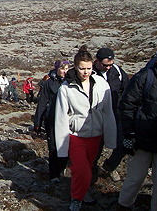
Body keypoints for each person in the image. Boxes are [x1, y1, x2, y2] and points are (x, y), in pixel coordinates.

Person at [55, 46, 116, 211]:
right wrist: (62, 147)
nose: (86, 72)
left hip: (96, 135)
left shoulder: (102, 84)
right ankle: (76, 198)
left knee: (87, 168)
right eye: (82, 68)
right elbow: (61, 117)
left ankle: (82, 192)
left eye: (89, 68)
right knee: (81, 169)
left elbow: (108, 111)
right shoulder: (66, 88)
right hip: (76, 135)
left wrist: (111, 138)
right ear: (75, 67)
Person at [116, 45, 157, 211]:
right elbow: (127, 106)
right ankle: (123, 206)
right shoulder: (144, 77)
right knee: (135, 178)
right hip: (141, 140)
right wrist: (129, 135)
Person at [90, 48, 129, 189]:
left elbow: (127, 90)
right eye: (105, 65)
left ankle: (110, 166)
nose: (108, 67)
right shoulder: (90, 73)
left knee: (122, 144)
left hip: (116, 115)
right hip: (97, 117)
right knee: (96, 149)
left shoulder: (117, 72)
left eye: (110, 64)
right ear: (97, 61)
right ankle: (92, 180)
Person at [34, 60, 69, 183]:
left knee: (66, 145)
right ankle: (54, 174)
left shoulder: (70, 82)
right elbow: (42, 103)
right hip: (52, 119)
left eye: (67, 68)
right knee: (53, 146)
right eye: (62, 68)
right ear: (56, 69)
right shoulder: (49, 83)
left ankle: (62, 167)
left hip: (66, 120)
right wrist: (37, 122)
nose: (65, 71)